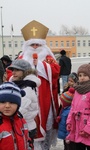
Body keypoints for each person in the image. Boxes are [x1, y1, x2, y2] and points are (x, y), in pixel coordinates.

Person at [18, 20, 60, 150]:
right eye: (32, 44)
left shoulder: (48, 57)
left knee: (44, 121)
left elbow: (56, 71)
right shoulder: (21, 58)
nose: (35, 47)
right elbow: (11, 73)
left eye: (37, 44)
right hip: (26, 97)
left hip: (44, 96)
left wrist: (40, 65)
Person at [66, 64, 90, 150]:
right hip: (78, 127)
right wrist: (69, 122)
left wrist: (89, 129)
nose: (82, 78)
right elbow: (72, 108)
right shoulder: (78, 91)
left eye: (85, 75)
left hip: (89, 129)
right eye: (80, 75)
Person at [7, 59, 41, 145]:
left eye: (17, 70)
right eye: (13, 70)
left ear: (25, 72)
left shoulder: (27, 88)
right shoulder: (18, 85)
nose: (13, 72)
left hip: (25, 128)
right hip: (20, 126)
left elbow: (19, 111)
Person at [0, 82, 33, 150]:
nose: (7, 106)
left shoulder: (21, 121)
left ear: (18, 105)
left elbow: (27, 140)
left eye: (12, 102)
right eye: (3, 102)